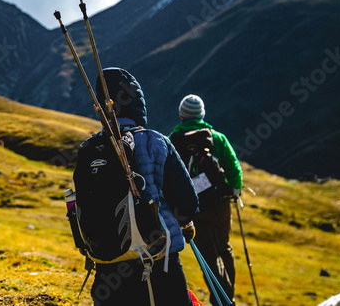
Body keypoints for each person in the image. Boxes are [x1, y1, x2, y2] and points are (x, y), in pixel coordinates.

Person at [74, 68, 199, 306]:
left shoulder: (89, 149)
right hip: (157, 259)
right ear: (137, 102)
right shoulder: (156, 140)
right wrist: (184, 223)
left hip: (106, 260)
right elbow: (188, 204)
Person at [169, 94, 243, 305]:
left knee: (208, 257)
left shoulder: (172, 141)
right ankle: (228, 298)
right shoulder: (217, 138)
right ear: (202, 114)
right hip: (219, 204)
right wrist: (235, 190)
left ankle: (220, 299)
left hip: (193, 209)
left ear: (182, 114)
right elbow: (233, 166)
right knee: (224, 248)